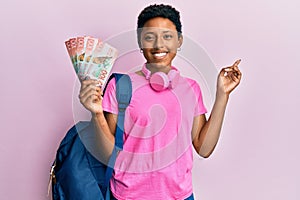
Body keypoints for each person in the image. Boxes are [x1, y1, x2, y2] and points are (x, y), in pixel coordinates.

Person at [78, 4, 242, 200]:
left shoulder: (191, 89)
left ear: (179, 41)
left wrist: (222, 95)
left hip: (180, 196)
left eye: (167, 36)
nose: (158, 44)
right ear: (140, 42)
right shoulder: (120, 86)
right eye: (149, 37)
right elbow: (107, 155)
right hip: (127, 196)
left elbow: (204, 148)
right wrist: (96, 113)